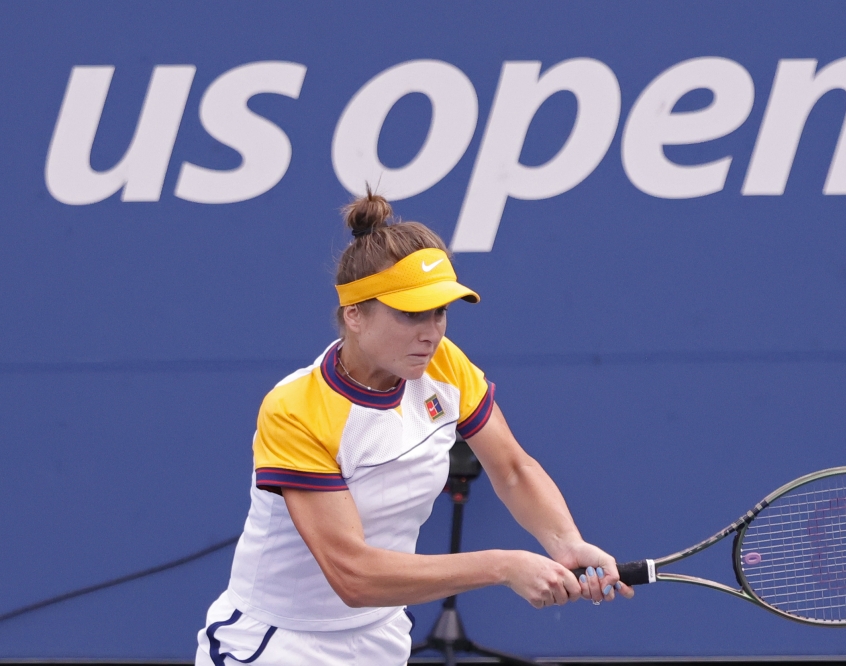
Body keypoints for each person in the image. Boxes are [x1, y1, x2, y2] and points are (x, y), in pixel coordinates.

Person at [195, 191, 633, 665]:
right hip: (279, 645)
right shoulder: (296, 408)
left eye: (440, 311)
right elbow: (353, 576)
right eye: (410, 314)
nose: (431, 332)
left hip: (381, 637)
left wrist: (565, 542)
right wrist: (503, 566)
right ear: (355, 315)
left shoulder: (444, 364)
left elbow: (512, 469)